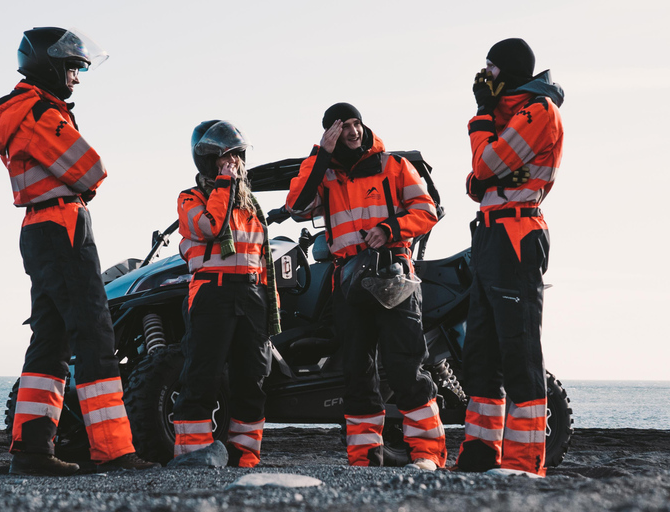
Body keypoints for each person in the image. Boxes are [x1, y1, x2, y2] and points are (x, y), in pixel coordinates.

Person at [0, 27, 154, 476]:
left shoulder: (24, 111)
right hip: (62, 226)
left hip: (40, 228)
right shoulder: (38, 113)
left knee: (50, 341)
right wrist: (80, 181)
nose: (77, 78)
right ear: (48, 65)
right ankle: (114, 451)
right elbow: (91, 169)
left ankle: (32, 450)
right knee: (95, 335)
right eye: (72, 68)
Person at [286, 103, 445, 469]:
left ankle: (428, 456)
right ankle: (364, 458)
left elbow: (427, 211)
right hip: (350, 283)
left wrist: (388, 229)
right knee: (357, 371)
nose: (353, 132)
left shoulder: (394, 166)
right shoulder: (325, 176)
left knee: (405, 367)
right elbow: (296, 204)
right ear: (332, 135)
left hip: (395, 278)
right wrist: (319, 155)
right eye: (343, 128)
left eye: (356, 124)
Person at [454, 38, 564, 478]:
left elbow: (485, 166)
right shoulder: (512, 114)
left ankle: (523, 462)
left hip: (518, 234)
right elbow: (477, 181)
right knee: (480, 349)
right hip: (491, 233)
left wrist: (481, 116)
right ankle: (482, 455)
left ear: (510, 69)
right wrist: (486, 168)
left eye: (491, 67)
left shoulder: (538, 111)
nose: (485, 76)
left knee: (519, 348)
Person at [172, 120, 280, 468]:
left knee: (252, 380)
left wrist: (269, 304)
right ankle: (193, 453)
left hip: (251, 296)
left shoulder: (250, 206)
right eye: (226, 157)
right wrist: (224, 184)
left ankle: (244, 457)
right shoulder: (191, 199)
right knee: (202, 375)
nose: (234, 163)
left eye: (237, 156)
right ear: (208, 160)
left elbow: (260, 257)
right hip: (211, 295)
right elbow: (211, 226)